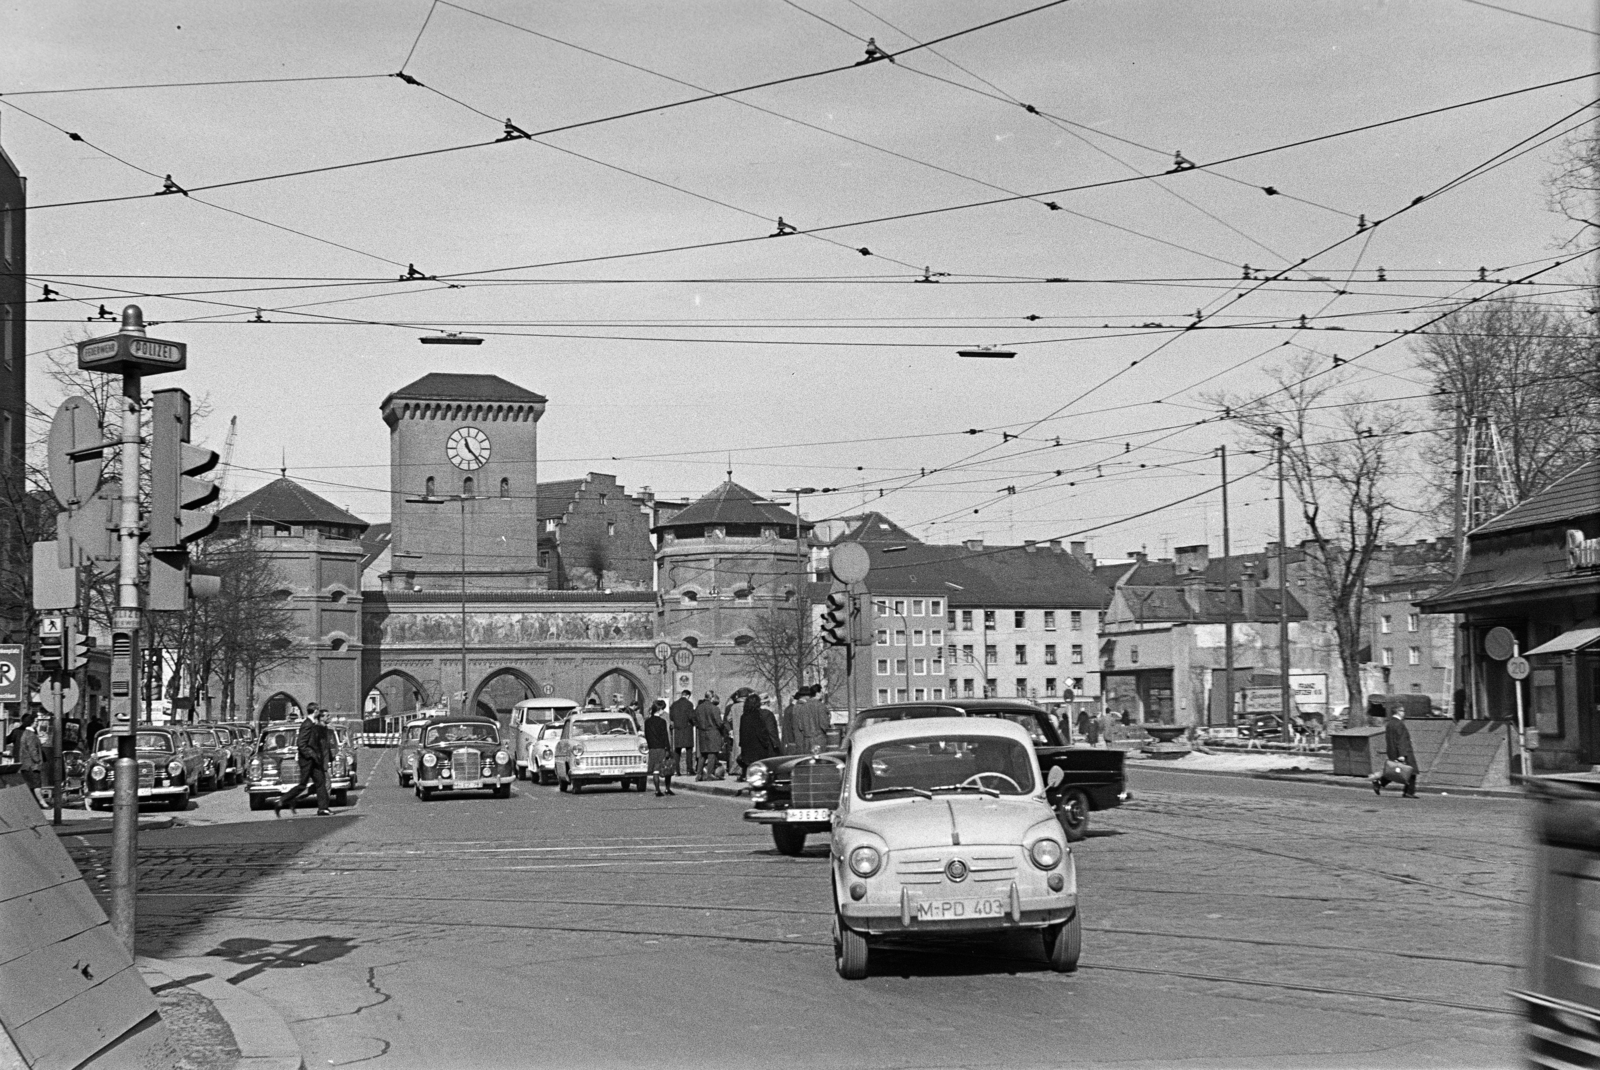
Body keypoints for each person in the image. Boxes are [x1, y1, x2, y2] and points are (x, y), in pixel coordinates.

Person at [277, 706, 335, 815]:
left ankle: (321, 807)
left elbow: (324, 746)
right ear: (318, 714)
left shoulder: (319, 727)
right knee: (317, 783)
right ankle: (289, 800)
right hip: (314, 760)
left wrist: (330, 758)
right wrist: (314, 755)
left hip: (318, 760)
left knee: (320, 783)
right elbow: (305, 744)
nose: (329, 718)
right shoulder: (312, 726)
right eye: (327, 716)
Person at [1374, 707, 1419, 798]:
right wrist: (1402, 754)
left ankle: (1379, 782)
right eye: (1402, 711)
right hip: (1403, 752)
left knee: (1394, 771)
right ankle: (1409, 792)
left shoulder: (1390, 723)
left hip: (1393, 752)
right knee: (1412, 771)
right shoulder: (1399, 724)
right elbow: (1401, 740)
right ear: (1398, 712)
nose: (1404, 713)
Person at [739, 692, 780, 769]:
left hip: (747, 748)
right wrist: (768, 743)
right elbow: (762, 732)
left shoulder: (744, 716)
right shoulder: (758, 715)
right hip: (758, 748)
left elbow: (742, 733)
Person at [643, 699, 674, 797]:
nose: (663, 711)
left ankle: (657, 790)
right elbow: (665, 736)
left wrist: (650, 744)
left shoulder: (647, 722)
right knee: (666, 768)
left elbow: (647, 735)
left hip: (652, 748)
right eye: (662, 709)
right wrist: (668, 749)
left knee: (655, 770)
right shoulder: (662, 722)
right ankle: (667, 788)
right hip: (661, 747)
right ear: (659, 709)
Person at [693, 692, 724, 780]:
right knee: (712, 754)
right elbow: (719, 722)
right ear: (712, 697)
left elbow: (693, 719)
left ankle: (698, 774)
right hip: (713, 732)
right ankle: (709, 774)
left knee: (702, 754)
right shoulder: (714, 708)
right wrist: (722, 730)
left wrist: (699, 726)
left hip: (702, 732)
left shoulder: (699, 708)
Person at [792, 685, 830, 754]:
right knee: (820, 762)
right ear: (817, 693)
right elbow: (824, 725)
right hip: (819, 740)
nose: (822, 694)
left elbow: (800, 726)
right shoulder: (821, 706)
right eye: (821, 692)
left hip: (807, 741)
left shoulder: (803, 706)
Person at [16, 713, 43, 805]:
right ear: (31, 722)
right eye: (36, 721)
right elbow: (32, 750)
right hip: (32, 766)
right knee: (36, 785)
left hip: (26, 765)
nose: (37, 723)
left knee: (30, 785)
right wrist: (38, 760)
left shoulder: (25, 733)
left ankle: (31, 803)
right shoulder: (31, 735)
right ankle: (42, 802)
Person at [669, 690, 696, 775]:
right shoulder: (689, 704)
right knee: (689, 750)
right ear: (688, 696)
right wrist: (695, 723)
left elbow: (671, 717)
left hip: (677, 729)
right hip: (687, 729)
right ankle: (689, 769)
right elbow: (691, 716)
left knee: (677, 750)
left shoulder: (674, 704)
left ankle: (677, 770)